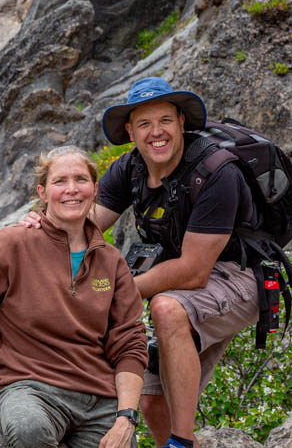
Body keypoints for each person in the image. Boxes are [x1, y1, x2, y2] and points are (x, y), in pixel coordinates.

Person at [24, 78, 260, 448]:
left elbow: (195, 270)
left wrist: (118, 292)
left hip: (241, 276)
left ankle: (180, 442)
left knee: (166, 309)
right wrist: (40, 224)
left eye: (165, 120)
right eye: (145, 124)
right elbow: (84, 228)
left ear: (182, 121)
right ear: (131, 131)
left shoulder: (216, 171)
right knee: (149, 395)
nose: (157, 133)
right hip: (185, 283)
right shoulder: (130, 169)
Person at [0, 145, 148, 448]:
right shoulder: (10, 245)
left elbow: (130, 344)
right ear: (43, 192)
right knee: (29, 429)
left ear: (95, 189)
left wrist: (125, 418)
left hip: (98, 399)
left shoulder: (112, 262)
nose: (71, 189)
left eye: (81, 180)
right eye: (60, 181)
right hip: (28, 390)